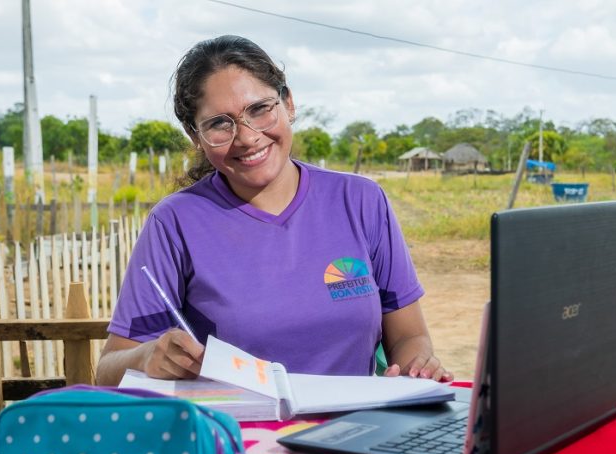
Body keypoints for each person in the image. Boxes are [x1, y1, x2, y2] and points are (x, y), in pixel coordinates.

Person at [96, 35, 451, 386]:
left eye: (259, 109)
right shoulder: (175, 222)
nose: (247, 137)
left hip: (356, 433)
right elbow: (109, 370)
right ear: (194, 136)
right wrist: (146, 357)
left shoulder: (361, 201)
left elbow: (408, 337)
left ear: (289, 103)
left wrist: (417, 367)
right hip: (236, 438)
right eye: (220, 123)